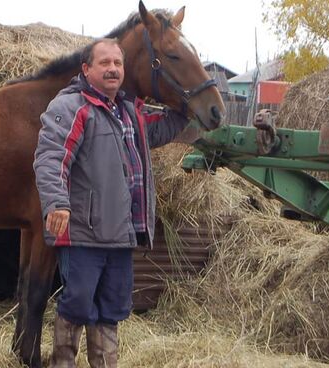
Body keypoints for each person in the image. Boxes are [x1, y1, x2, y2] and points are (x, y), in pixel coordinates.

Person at [33, 38, 190, 368]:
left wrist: (191, 103)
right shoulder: (72, 107)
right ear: (86, 69)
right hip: (83, 233)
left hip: (121, 233)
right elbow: (51, 158)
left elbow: (165, 128)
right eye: (104, 63)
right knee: (77, 303)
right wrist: (57, 202)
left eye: (117, 64)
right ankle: (64, 363)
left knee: (112, 307)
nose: (112, 69)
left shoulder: (129, 111)